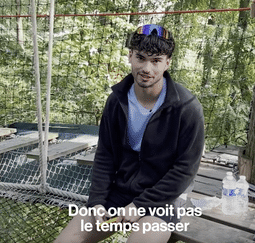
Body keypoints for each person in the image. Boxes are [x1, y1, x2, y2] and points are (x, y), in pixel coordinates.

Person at [54, 24, 204, 243]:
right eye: (141, 58)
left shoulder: (187, 108)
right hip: (121, 191)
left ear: (167, 63)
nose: (147, 68)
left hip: (163, 200)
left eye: (156, 61)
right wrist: (96, 201)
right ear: (130, 56)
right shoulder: (116, 100)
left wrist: (140, 206)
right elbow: (105, 155)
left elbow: (185, 170)